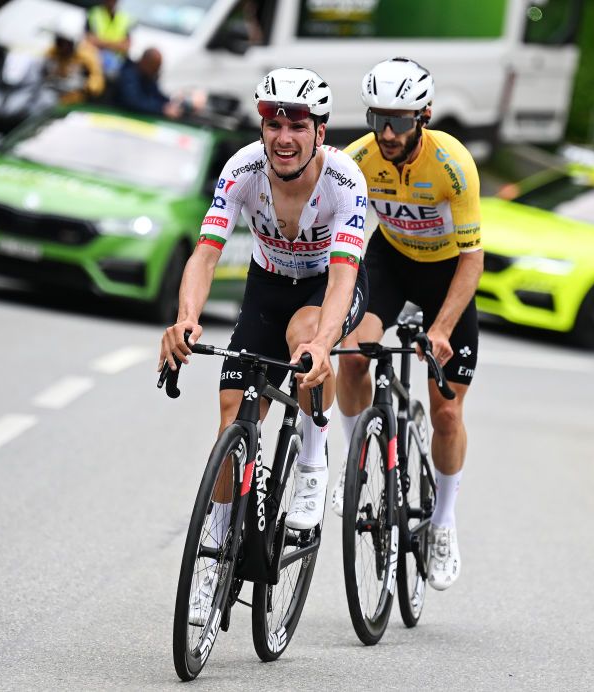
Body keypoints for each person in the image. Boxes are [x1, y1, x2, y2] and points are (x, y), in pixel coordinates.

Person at [159, 67, 369, 621]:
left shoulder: (344, 181)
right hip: (267, 284)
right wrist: (185, 319)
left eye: (297, 124)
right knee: (232, 414)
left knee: (304, 344)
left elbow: (346, 274)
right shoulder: (242, 168)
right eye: (272, 122)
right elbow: (205, 253)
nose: (283, 135)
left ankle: (312, 461)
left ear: (319, 131)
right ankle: (218, 554)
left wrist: (325, 344)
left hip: (327, 288)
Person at [334, 57, 483, 591]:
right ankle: (357, 461)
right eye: (378, 119)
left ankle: (443, 521)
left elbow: (472, 259)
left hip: (447, 276)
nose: (388, 133)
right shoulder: (357, 159)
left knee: (446, 413)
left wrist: (441, 328)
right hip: (391, 263)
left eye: (398, 121)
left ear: (424, 115)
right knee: (351, 357)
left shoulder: (452, 164)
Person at [115, 48, 203, 119]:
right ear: (145, 63)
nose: (156, 71)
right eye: (154, 67)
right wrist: (161, 109)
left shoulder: (147, 75)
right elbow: (134, 101)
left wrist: (172, 103)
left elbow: (156, 94)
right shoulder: (129, 75)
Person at [44, 12, 103, 105]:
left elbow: (97, 81)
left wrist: (85, 86)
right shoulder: (51, 52)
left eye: (67, 43)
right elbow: (41, 71)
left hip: (75, 102)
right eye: (60, 42)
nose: (63, 47)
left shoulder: (87, 55)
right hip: (51, 98)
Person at [85, 0, 132, 80]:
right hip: (94, 61)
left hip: (116, 65)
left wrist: (101, 42)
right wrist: (116, 44)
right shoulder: (94, 13)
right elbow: (90, 40)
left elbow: (126, 46)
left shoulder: (124, 18)